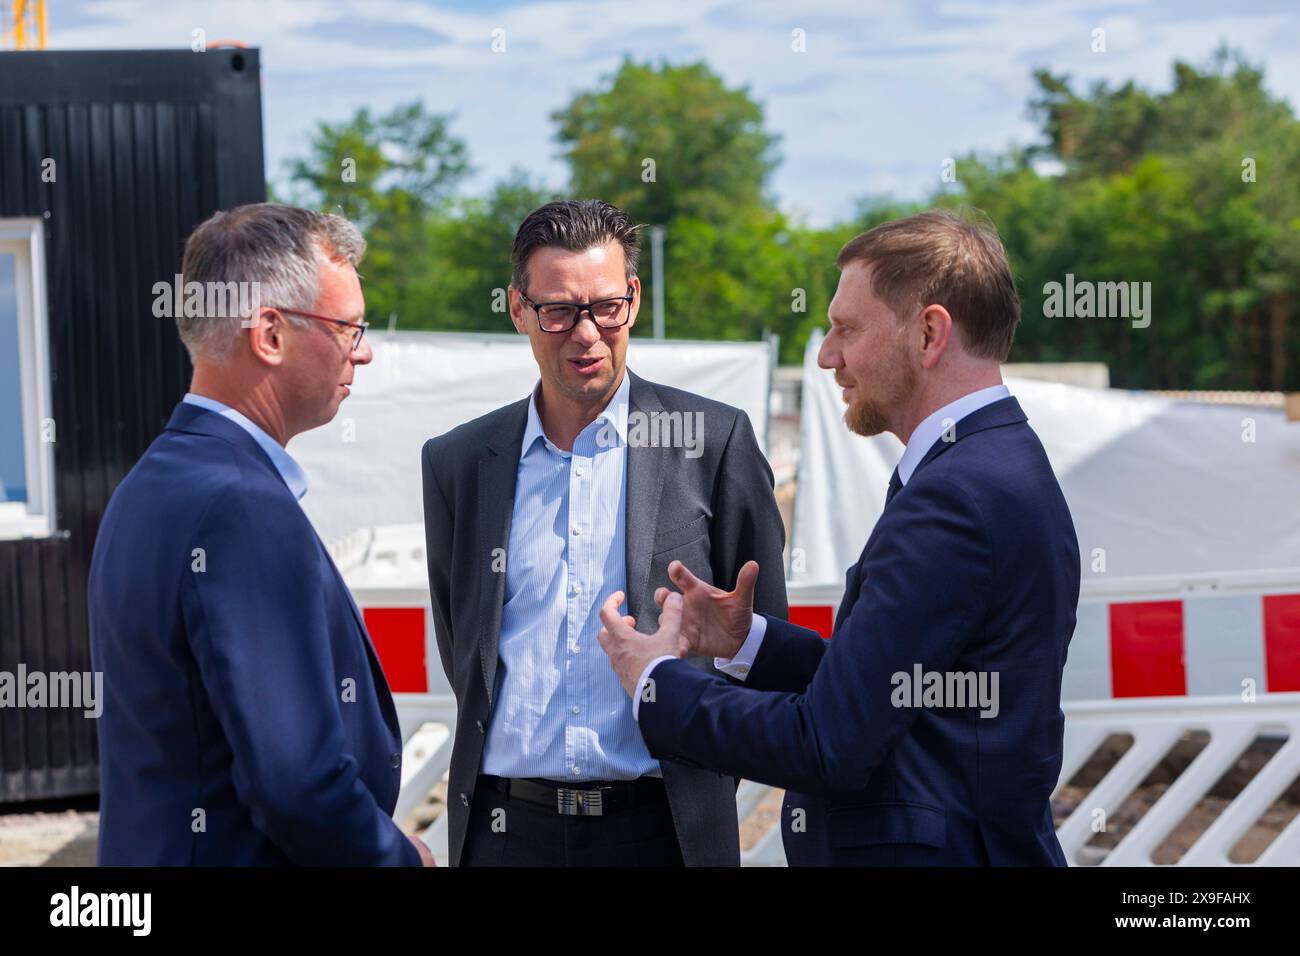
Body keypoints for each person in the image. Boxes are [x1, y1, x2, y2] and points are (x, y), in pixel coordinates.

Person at [598, 209, 1081, 866]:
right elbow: (899, 689)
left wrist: (654, 680)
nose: (828, 355)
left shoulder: (955, 497)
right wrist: (749, 641)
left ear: (930, 334)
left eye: (847, 328)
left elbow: (827, 743)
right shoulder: (992, 465)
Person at [421, 199, 787, 866]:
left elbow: (762, 642)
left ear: (635, 299)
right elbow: (462, 639)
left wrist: (701, 777)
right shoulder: (458, 463)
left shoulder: (713, 442)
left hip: (663, 831)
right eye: (558, 311)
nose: (586, 334)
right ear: (516, 309)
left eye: (606, 307)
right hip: (506, 834)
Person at [89, 203, 430, 866]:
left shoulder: (150, 485)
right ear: (269, 334)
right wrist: (398, 858)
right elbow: (296, 782)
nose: (363, 351)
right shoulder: (239, 506)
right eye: (348, 327)